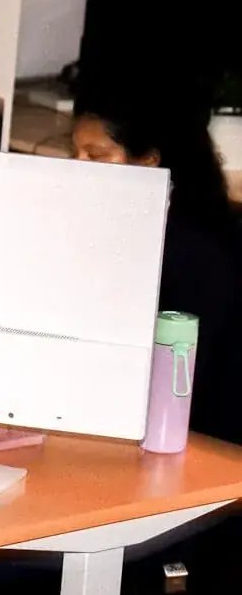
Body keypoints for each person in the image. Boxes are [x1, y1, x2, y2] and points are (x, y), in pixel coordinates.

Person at [74, 86, 242, 442]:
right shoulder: (131, 227)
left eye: (96, 155)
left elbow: (184, 381)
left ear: (149, 161)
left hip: (203, 439)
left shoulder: (193, 250)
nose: (78, 167)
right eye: (75, 153)